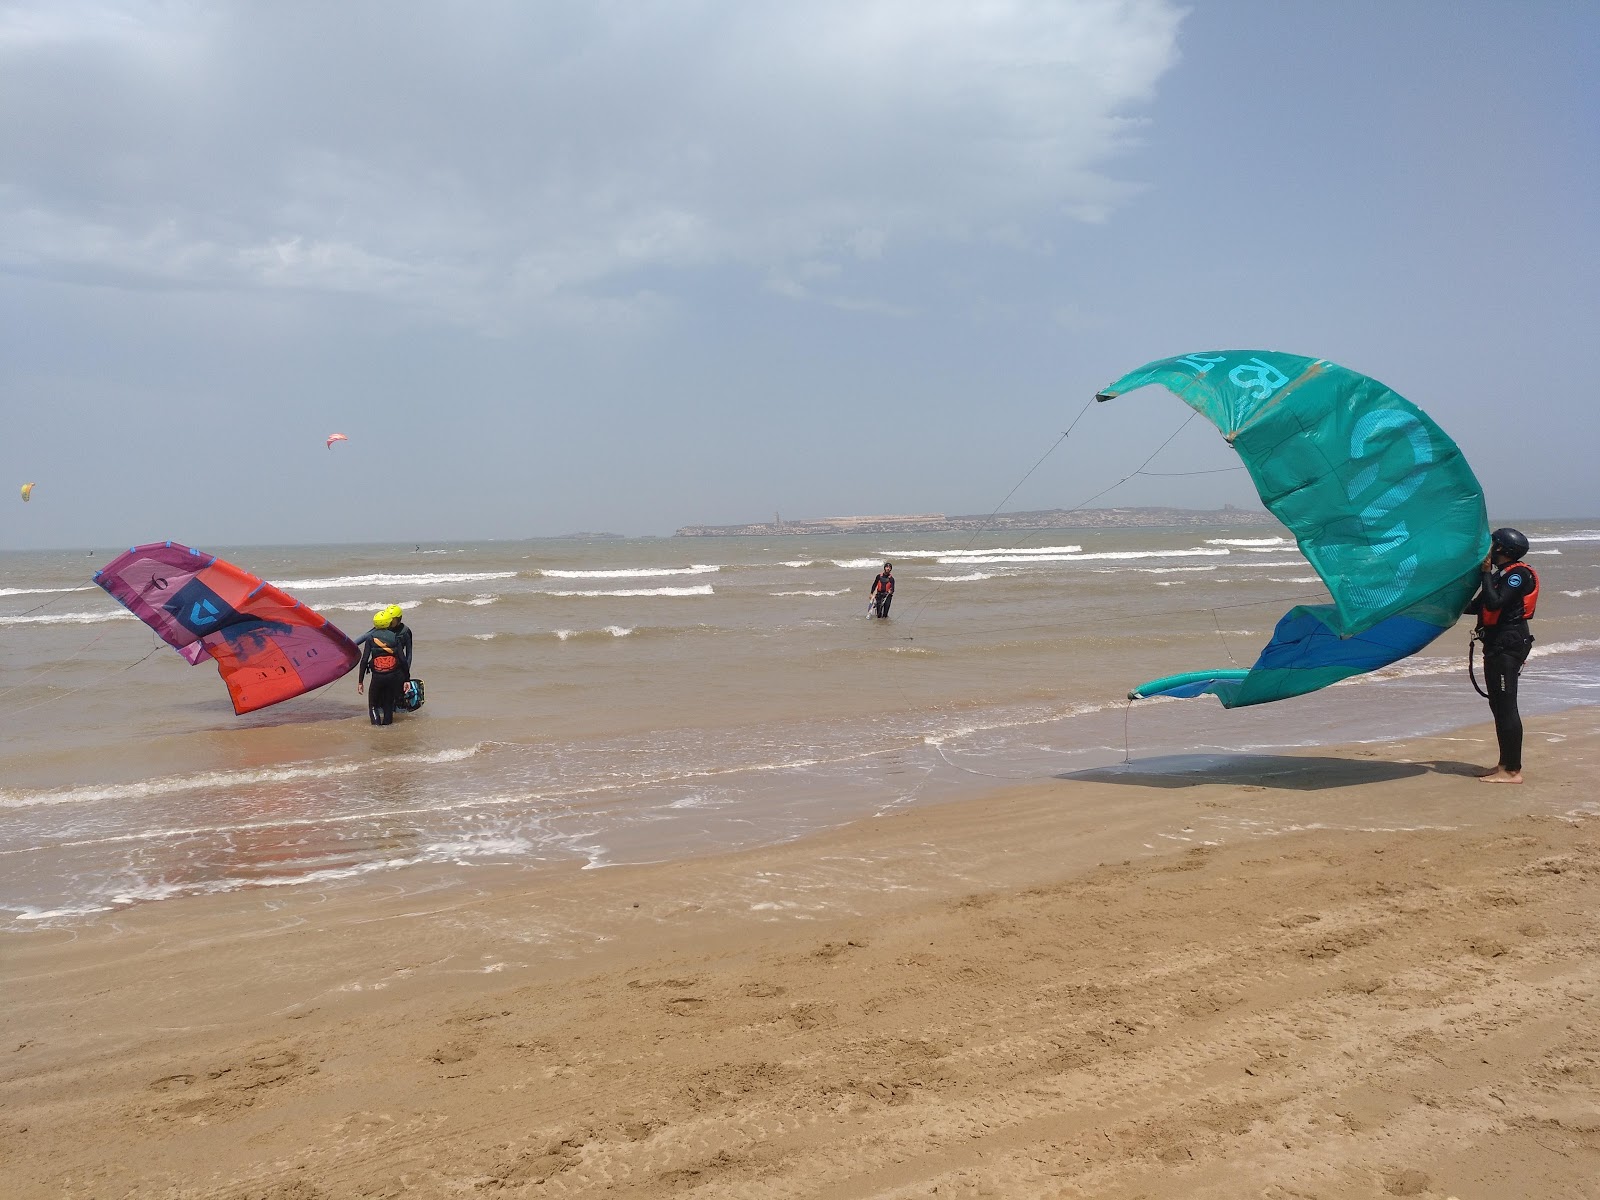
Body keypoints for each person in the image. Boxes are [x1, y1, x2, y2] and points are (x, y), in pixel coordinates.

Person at [1466, 528, 1538, 784]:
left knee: (1507, 707)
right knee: (1497, 705)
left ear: (1502, 549)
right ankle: (1504, 764)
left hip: (1509, 644)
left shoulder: (1518, 574)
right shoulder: (1500, 576)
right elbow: (1474, 606)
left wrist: (1485, 574)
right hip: (1496, 645)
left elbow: (1496, 603)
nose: (1490, 549)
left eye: (1493, 544)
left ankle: (1512, 770)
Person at [355, 606, 410, 726]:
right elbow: (403, 659)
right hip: (393, 675)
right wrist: (407, 679)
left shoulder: (370, 637)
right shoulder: (395, 637)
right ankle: (387, 731)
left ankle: (376, 730)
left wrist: (360, 681)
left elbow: (364, 660)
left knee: (373, 706)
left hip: (377, 676)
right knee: (388, 704)